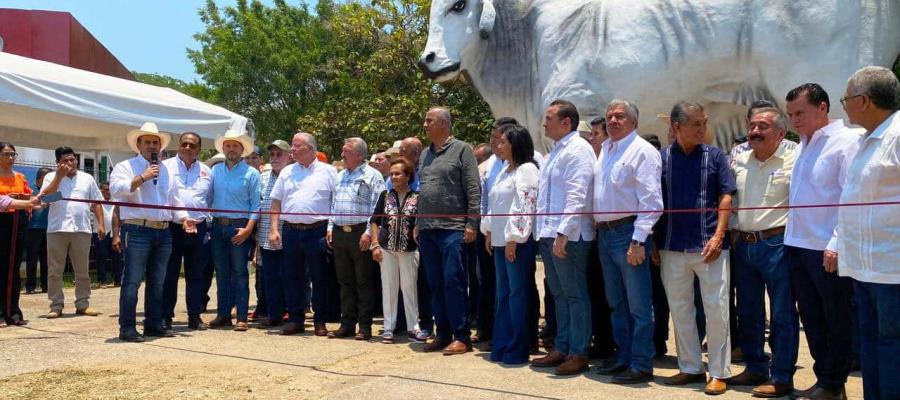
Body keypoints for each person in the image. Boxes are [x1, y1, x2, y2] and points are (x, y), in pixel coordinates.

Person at [784, 83, 860, 400]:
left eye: (799, 112)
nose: (794, 120)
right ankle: (825, 380)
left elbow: (850, 196)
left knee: (836, 318)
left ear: (823, 108)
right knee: (812, 318)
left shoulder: (847, 141)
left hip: (826, 247)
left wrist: (837, 242)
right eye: (790, 115)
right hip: (798, 244)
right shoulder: (803, 143)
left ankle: (833, 383)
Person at [657, 102, 735, 395]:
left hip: (710, 247)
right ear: (677, 127)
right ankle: (690, 367)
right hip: (671, 246)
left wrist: (718, 236)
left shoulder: (715, 156)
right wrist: (653, 242)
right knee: (680, 309)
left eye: (704, 123)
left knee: (717, 310)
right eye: (696, 124)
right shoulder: (662, 158)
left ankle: (718, 372)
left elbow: (726, 197)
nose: (702, 129)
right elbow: (653, 202)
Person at [837, 66, 900, 400]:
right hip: (864, 265)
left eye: (845, 99)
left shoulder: (898, 135)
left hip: (892, 267)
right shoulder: (865, 141)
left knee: (891, 344)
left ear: (863, 100)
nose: (843, 106)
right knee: (872, 340)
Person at [728, 107, 800, 397]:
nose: (755, 131)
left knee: (782, 313)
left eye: (763, 127)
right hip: (743, 244)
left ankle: (782, 376)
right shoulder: (739, 160)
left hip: (777, 244)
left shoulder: (795, 159)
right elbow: (729, 200)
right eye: (752, 126)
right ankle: (756, 367)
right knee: (748, 312)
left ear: (781, 133)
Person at [591, 99, 662, 384]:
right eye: (610, 116)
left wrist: (638, 240)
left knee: (639, 305)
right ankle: (624, 357)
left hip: (628, 234)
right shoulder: (606, 149)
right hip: (605, 234)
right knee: (616, 303)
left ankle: (642, 363)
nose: (612, 121)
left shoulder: (642, 151)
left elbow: (652, 202)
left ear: (633, 121)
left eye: (619, 116)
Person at [109, 122, 194, 342]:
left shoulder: (166, 170)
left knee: (158, 281)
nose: (152, 146)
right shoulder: (125, 166)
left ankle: (153, 323)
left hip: (163, 231)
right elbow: (116, 190)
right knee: (133, 281)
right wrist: (143, 177)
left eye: (155, 142)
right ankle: (127, 327)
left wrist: (184, 218)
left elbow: (173, 199)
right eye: (147, 142)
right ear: (138, 144)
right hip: (137, 228)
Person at [529, 99, 595, 375]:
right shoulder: (555, 151)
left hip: (569, 235)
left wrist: (563, 233)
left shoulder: (578, 150)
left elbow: (577, 195)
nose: (544, 123)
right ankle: (563, 347)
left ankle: (578, 352)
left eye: (549, 118)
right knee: (559, 294)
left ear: (566, 122)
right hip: (548, 233)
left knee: (575, 294)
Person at [417, 106, 481, 355]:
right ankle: (442, 333)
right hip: (427, 229)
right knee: (434, 283)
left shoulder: (462, 149)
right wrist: (418, 224)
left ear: (444, 123)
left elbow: (473, 189)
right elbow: (423, 190)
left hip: (453, 229)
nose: (425, 124)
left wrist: (471, 224)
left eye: (429, 120)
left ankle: (462, 336)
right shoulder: (424, 154)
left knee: (453, 281)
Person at [268, 132, 338, 336]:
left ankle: (320, 320)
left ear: (310, 148)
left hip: (318, 230)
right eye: (292, 146)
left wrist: (331, 228)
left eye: (296, 146)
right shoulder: (287, 171)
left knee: (320, 277)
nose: (292, 150)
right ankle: (295, 319)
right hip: (290, 230)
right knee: (291, 277)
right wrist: (274, 229)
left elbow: (336, 201)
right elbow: (276, 202)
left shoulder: (329, 171)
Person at [481, 123, 540, 364]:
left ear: (515, 144)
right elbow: (495, 204)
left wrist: (514, 238)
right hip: (499, 240)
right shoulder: (506, 170)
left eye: (503, 141)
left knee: (517, 293)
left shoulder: (526, 169)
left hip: (516, 243)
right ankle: (503, 343)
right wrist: (488, 230)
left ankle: (518, 346)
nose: (498, 144)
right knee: (503, 294)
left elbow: (524, 205)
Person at [326, 137, 385, 340]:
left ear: (359, 155)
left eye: (346, 152)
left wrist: (369, 232)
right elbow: (333, 203)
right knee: (344, 281)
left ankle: (365, 326)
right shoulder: (340, 175)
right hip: (340, 233)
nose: (342, 155)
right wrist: (330, 226)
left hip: (361, 233)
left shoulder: (373, 175)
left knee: (363, 281)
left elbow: (377, 207)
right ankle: (347, 324)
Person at [39, 146, 105, 319]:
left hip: (81, 229)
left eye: (73, 159)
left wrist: (101, 224)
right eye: (66, 160)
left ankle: (83, 303)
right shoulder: (50, 177)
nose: (71, 163)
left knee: (82, 270)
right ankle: (56, 305)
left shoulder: (87, 178)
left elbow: (96, 202)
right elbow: (44, 200)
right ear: (58, 163)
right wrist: (59, 178)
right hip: (57, 229)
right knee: (55, 270)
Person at [208, 129, 261, 332]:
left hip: (239, 226)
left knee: (240, 272)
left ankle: (241, 316)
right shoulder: (215, 171)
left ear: (242, 149)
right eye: (228, 145)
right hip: (218, 226)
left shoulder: (252, 173)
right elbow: (208, 198)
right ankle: (223, 314)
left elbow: (256, 205)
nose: (231, 149)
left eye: (235, 146)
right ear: (223, 148)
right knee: (221, 272)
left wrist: (248, 230)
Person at [162, 132, 213, 331]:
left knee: (197, 275)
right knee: (170, 274)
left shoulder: (207, 171)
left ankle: (194, 316)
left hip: (198, 228)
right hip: (173, 227)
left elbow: (209, 199)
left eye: (193, 145)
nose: (188, 148)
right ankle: (166, 316)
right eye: (185, 144)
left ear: (199, 149)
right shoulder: (166, 167)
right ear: (179, 146)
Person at [371, 157, 421, 343]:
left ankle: (413, 328)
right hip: (386, 248)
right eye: (391, 174)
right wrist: (375, 245)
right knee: (389, 288)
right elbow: (375, 221)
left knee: (409, 288)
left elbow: (419, 223)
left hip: (408, 249)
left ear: (408, 175)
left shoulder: (417, 198)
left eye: (398, 173)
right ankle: (388, 328)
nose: (394, 177)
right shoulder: (385, 196)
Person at [256, 139, 292, 327]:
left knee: (290, 275)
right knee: (269, 276)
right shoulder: (262, 177)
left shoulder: (294, 175)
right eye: (272, 154)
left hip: (289, 233)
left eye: (279, 154)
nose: (275, 157)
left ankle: (292, 312)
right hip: (265, 235)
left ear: (289, 156)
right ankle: (274, 313)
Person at [0, 142, 33, 327]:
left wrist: (25, 199)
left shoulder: (21, 177)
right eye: (6, 154)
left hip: (17, 224)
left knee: (14, 268)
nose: (11, 158)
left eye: (13, 154)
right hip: (1, 222)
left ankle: (13, 310)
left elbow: (33, 199)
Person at [24, 167, 51, 294]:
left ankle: (46, 285)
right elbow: (27, 205)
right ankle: (30, 286)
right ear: (42, 178)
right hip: (33, 228)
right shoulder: (31, 190)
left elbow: (61, 200)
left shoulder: (51, 191)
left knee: (46, 258)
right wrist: (40, 205)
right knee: (32, 258)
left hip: (48, 228)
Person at [92, 181, 122, 288]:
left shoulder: (116, 201)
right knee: (101, 256)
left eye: (110, 190)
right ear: (101, 191)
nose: (108, 192)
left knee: (117, 257)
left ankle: (118, 280)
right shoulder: (96, 202)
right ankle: (102, 280)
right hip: (99, 232)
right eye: (105, 190)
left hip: (114, 233)